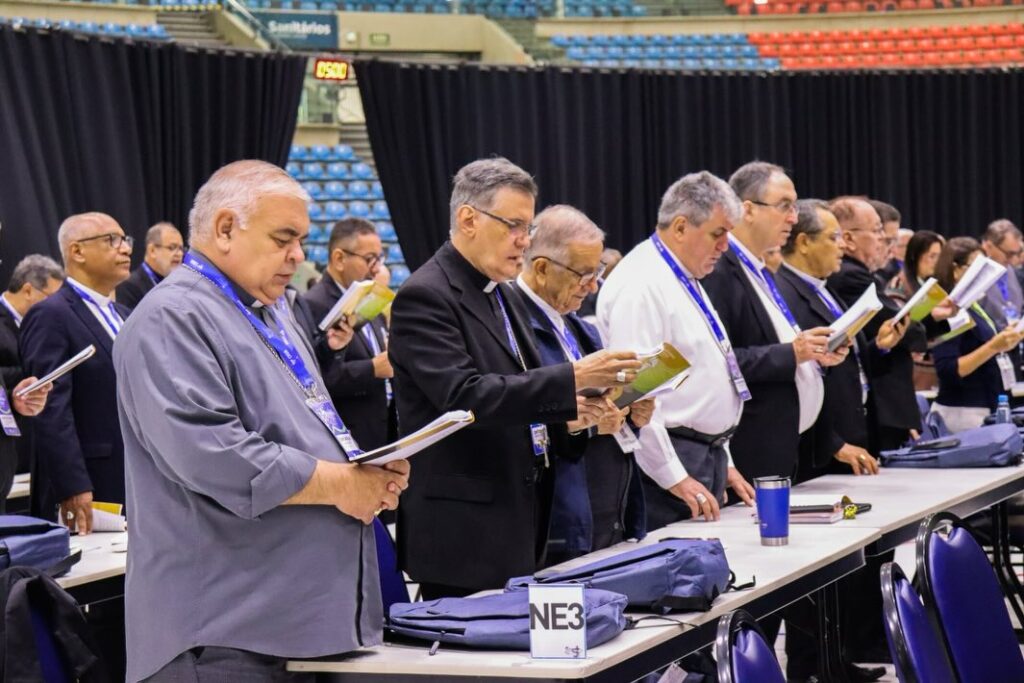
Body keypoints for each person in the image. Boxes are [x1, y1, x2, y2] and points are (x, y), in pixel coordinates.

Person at [114, 160, 409, 682]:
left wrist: (367, 471)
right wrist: (342, 483)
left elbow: (305, 425)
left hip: (294, 622)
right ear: (226, 228)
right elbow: (214, 455)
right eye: (284, 238)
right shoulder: (171, 317)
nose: (299, 256)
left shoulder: (271, 311)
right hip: (225, 633)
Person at [388, 157, 641, 599]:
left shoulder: (501, 292)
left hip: (519, 522)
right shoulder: (424, 295)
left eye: (528, 229)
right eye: (514, 226)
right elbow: (464, 397)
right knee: (473, 667)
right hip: (464, 534)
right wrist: (573, 376)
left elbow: (521, 396)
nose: (524, 242)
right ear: (468, 219)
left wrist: (576, 421)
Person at [598, 171, 756, 529]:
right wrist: (673, 476)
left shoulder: (684, 277)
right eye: (718, 233)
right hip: (668, 465)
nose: (726, 246)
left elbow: (709, 372)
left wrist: (724, 459)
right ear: (681, 227)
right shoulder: (642, 283)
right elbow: (637, 394)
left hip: (702, 455)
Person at [508, 205, 654, 563]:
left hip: (606, 509)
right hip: (557, 519)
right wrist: (584, 424)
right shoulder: (509, 326)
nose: (593, 286)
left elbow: (595, 404)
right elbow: (516, 411)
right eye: (584, 274)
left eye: (598, 271)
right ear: (541, 268)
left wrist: (630, 408)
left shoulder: (578, 326)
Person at [702, 161, 844, 485]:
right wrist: (792, 354)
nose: (793, 218)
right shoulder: (721, 270)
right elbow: (718, 361)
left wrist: (816, 354)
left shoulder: (758, 268)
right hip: (749, 450)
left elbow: (772, 342)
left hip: (781, 446)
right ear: (748, 209)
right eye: (784, 206)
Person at [21, 212, 132, 529]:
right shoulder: (51, 315)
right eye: (112, 240)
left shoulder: (126, 313)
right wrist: (73, 485)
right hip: (91, 482)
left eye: (126, 240)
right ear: (77, 251)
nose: (125, 249)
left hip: (136, 473)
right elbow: (50, 407)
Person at [828, 198, 930, 453]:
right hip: (873, 408)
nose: (883, 241)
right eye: (877, 232)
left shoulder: (859, 274)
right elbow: (899, 325)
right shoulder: (850, 276)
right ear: (849, 239)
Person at [303, 218, 395, 451]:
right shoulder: (313, 304)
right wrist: (373, 368)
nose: (377, 267)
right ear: (339, 259)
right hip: (348, 435)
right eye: (369, 259)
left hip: (384, 427)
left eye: (379, 258)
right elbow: (315, 379)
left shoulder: (367, 294)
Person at [932, 237, 1024, 432]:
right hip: (964, 412)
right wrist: (993, 346)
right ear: (955, 270)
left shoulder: (975, 305)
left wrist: (1008, 337)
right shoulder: (945, 310)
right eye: (976, 269)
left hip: (988, 405)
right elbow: (949, 369)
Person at [0, 255, 63, 477]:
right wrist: (33, 374)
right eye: (51, 298)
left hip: (16, 455)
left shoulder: (40, 326)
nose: (56, 307)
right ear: (28, 290)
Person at [115, 222, 183, 310]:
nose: (179, 254)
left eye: (181, 248)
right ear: (152, 251)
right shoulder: (129, 287)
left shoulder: (177, 285)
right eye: (172, 247)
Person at [980, 219, 1024, 330]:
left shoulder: (1015, 273)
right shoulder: (973, 275)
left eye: (1017, 253)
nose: (1014, 260)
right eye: (1009, 254)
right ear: (988, 246)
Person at [869, 199, 902, 284]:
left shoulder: (878, 277)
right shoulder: (853, 276)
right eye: (888, 241)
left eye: (895, 241)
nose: (894, 251)